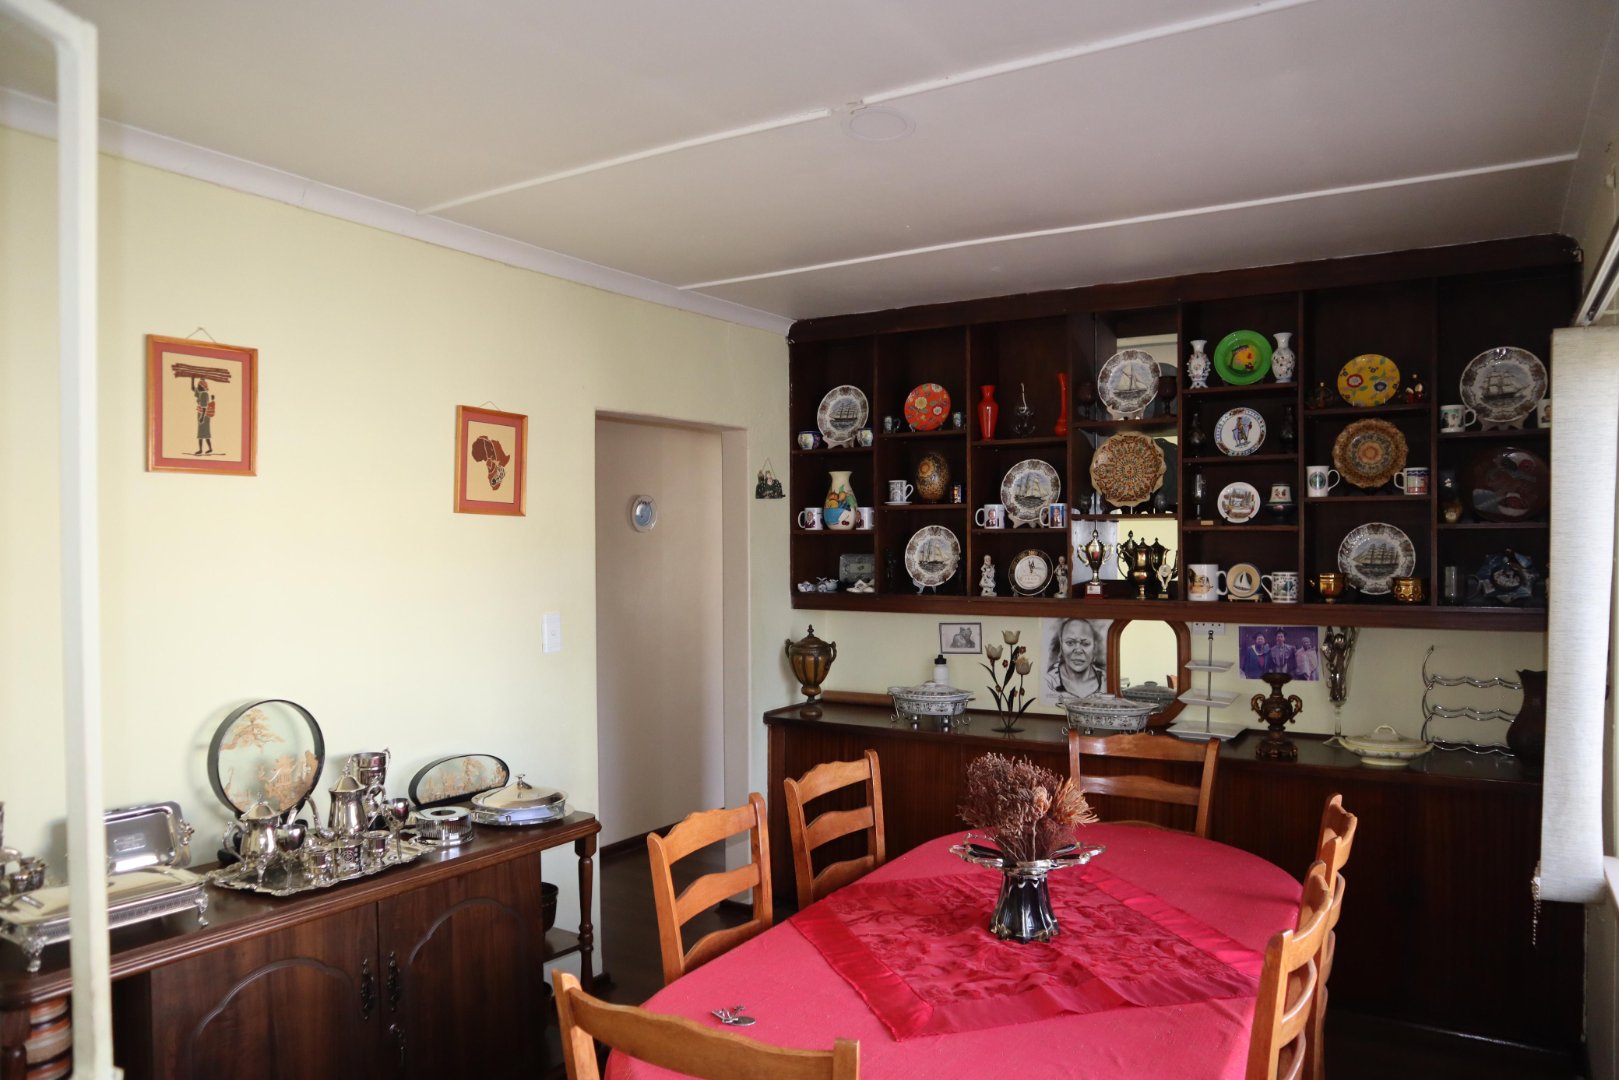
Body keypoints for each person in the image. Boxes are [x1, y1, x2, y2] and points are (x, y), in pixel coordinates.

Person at [1043, 618, 1105, 706]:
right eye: (1070, 643)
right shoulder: (1049, 682)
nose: (1078, 650)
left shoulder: (1105, 681)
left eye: (1085, 644)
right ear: (1061, 645)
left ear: (1094, 647)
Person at [192, 377, 214, 455]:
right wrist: (192, 379)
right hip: (202, 414)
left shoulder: (204, 394)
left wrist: (202, 417)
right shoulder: (201, 393)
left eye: (199, 386)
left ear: (202, 387)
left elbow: (204, 407)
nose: (198, 387)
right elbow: (193, 388)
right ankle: (206, 449)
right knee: (202, 433)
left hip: (204, 415)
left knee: (203, 433)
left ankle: (204, 449)